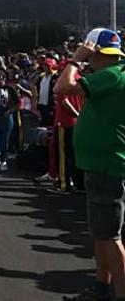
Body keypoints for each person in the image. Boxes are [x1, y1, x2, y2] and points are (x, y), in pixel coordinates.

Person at [55, 28, 125, 301]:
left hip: (107, 166)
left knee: (109, 235)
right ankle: (102, 287)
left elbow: (62, 88)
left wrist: (75, 59)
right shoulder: (111, 75)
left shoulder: (111, 74)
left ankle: (119, 293)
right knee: (102, 233)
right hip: (101, 165)